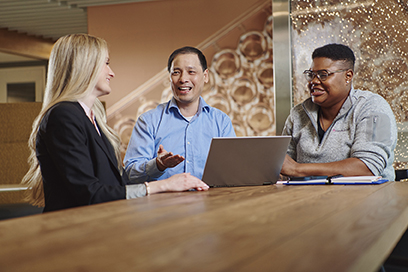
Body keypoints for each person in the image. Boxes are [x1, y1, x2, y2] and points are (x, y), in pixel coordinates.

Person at [21, 34, 209, 212]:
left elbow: (114, 184)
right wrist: (164, 185)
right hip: (73, 232)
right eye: (106, 63)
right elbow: (89, 193)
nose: (111, 73)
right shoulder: (63, 116)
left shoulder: (91, 118)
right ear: (86, 66)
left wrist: (157, 166)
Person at [281, 43, 397, 181]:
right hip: (307, 199)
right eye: (311, 75)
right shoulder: (298, 114)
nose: (314, 81)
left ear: (348, 76)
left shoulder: (374, 107)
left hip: (364, 199)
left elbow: (368, 168)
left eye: (323, 75)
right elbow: (283, 166)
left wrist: (297, 169)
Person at [124, 46, 236, 183]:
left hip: (211, 202)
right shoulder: (148, 121)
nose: (183, 79)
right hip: (162, 203)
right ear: (170, 77)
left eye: (191, 72)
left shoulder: (221, 121)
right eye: (176, 72)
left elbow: (231, 172)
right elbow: (130, 174)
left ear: (205, 76)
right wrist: (158, 165)